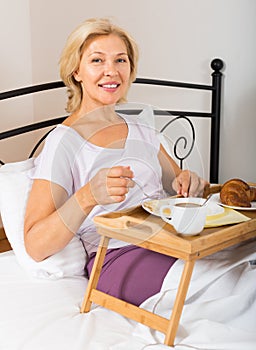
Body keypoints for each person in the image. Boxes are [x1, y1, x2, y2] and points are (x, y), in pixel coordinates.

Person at [24, 18, 209, 306]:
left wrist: (189, 182)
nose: (111, 71)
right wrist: (87, 196)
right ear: (76, 71)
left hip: (171, 241)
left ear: (130, 69)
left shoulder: (143, 131)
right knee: (213, 288)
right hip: (118, 257)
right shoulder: (65, 141)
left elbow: (178, 187)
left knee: (238, 272)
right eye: (97, 60)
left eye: (120, 60)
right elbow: (35, 245)